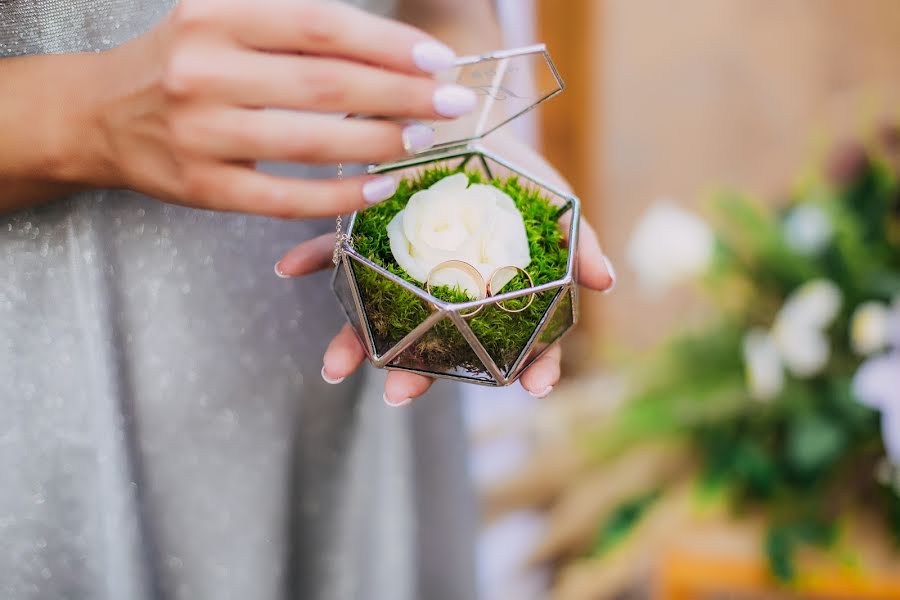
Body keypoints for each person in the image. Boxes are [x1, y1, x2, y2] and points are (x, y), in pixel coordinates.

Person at [0, 0, 615, 598]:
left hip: (360, 325)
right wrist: (82, 113)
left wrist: (455, 117)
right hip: (58, 371)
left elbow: (444, 11)